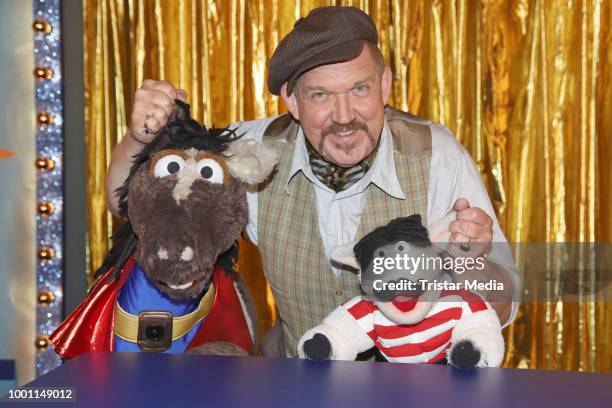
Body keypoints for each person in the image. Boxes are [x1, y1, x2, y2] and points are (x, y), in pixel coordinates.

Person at [105, 6, 518, 358]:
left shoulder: (435, 156)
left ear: (386, 85)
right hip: (294, 382)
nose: (344, 115)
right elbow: (126, 203)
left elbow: (503, 308)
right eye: (320, 95)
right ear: (292, 101)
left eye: (360, 88)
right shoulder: (251, 153)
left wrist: (469, 262)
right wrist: (140, 139)